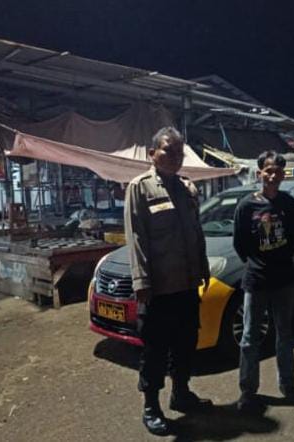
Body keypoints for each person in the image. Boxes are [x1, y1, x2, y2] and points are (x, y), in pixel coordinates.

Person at [124, 126, 212, 436]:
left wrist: (203, 268)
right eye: (168, 151)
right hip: (158, 289)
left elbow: (196, 233)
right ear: (152, 154)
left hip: (187, 284)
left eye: (179, 152)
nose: (175, 157)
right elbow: (136, 238)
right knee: (155, 350)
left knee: (185, 343)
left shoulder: (188, 188)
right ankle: (151, 406)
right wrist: (141, 282)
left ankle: (181, 393)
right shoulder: (140, 188)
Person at [232, 150, 294, 413]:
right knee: (250, 337)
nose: (273, 176)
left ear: (283, 174)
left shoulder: (289, 204)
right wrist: (257, 262)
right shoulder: (246, 206)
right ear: (260, 172)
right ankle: (248, 391)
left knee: (285, 334)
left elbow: (293, 238)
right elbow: (240, 243)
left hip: (284, 280)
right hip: (256, 280)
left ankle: (288, 384)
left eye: (278, 171)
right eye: (268, 171)